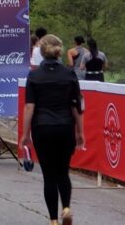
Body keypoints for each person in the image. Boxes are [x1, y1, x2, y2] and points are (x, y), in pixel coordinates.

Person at [19, 34, 84, 225]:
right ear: (59, 51)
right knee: (63, 171)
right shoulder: (69, 74)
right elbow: (76, 106)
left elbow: (29, 107)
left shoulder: (34, 76)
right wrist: (80, 132)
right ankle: (66, 208)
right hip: (65, 127)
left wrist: (25, 134)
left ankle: (53, 220)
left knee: (49, 175)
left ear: (41, 51)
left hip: (43, 127)